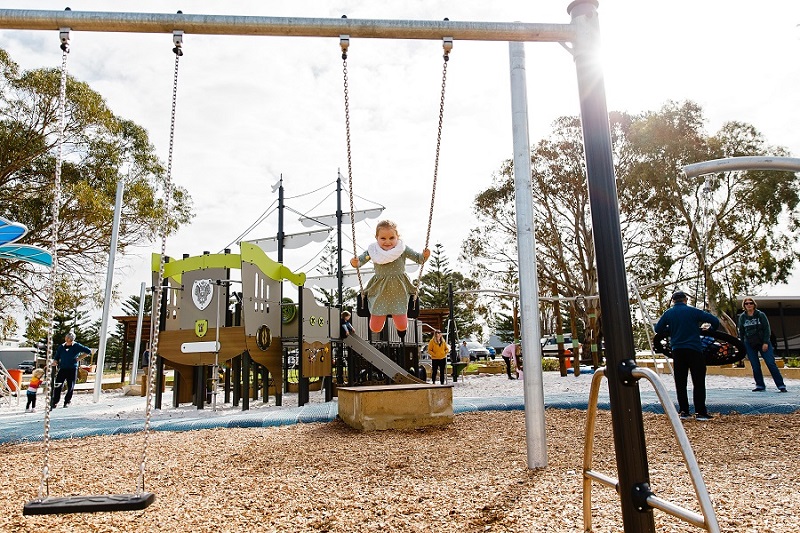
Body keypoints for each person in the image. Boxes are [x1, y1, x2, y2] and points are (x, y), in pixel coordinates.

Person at [350, 220, 430, 338]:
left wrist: (425, 256)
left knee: (402, 325)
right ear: (376, 238)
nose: (387, 242)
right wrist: (354, 262)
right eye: (383, 238)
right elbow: (360, 261)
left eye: (392, 238)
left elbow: (419, 259)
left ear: (397, 237)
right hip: (380, 289)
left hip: (398, 288)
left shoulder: (402, 249)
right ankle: (381, 324)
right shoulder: (372, 251)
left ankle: (401, 330)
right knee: (375, 327)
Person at [654, 290, 720, 421]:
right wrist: (710, 330)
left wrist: (670, 331)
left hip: (677, 351)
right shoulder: (693, 311)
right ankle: (700, 412)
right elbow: (714, 321)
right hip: (694, 349)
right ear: (685, 300)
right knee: (699, 381)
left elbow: (658, 329)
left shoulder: (669, 313)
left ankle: (684, 411)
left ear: (673, 301)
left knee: (681, 382)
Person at [737, 297, 787, 393]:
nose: (749, 305)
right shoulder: (743, 317)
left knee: (770, 363)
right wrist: (742, 344)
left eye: (751, 303)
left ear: (754, 304)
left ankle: (781, 385)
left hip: (762, 341)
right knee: (755, 365)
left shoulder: (760, 315)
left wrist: (765, 342)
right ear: (744, 306)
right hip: (750, 342)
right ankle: (760, 385)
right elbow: (741, 332)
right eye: (746, 303)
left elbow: (767, 329)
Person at [50, 331, 92, 409]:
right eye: (66, 337)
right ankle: (55, 402)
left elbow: (88, 351)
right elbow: (57, 357)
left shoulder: (76, 346)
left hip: (72, 368)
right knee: (58, 385)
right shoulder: (61, 347)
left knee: (70, 386)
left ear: (71, 339)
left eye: (68, 337)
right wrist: (55, 362)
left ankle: (67, 401)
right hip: (62, 368)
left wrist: (79, 358)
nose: (66, 338)